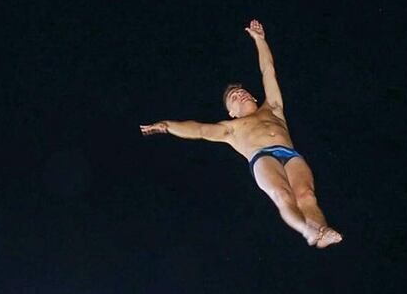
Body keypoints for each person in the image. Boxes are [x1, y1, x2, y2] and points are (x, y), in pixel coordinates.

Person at [141, 19, 342, 248]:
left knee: (307, 196)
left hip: (289, 153)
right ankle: (307, 231)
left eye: (242, 91)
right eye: (234, 97)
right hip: (262, 157)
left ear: (254, 97)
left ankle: (321, 233)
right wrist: (168, 125)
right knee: (283, 195)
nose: (241, 95)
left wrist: (259, 40)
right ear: (231, 112)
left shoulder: (273, 107)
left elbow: (268, 71)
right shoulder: (231, 128)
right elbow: (198, 129)